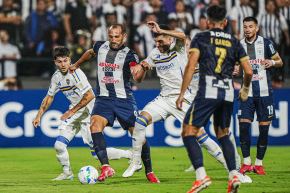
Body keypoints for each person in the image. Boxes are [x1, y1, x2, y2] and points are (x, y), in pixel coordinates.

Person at [123, 21, 230, 183]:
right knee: (140, 120)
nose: (158, 44)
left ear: (169, 40)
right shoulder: (154, 54)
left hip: (183, 99)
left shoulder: (178, 49)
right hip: (164, 99)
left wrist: (161, 29)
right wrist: (141, 68)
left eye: (161, 41)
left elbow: (182, 36)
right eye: (156, 41)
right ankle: (136, 161)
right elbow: (138, 79)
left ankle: (231, 169)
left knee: (200, 136)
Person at [176, 5, 253, 193]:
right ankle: (234, 173)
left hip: (208, 90)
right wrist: (244, 88)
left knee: (188, 131)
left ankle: (201, 177)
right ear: (225, 22)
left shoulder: (201, 38)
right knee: (223, 133)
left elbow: (190, 66)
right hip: (227, 92)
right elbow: (248, 71)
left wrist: (181, 93)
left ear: (208, 22)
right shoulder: (235, 42)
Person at [32, 46, 133, 181]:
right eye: (60, 61)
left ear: (70, 60)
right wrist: (39, 115)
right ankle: (67, 172)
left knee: (97, 155)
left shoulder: (76, 73)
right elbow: (49, 97)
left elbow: (90, 95)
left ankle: (130, 155)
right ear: (55, 62)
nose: (63, 64)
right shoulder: (56, 77)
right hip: (75, 113)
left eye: (65, 61)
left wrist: (71, 111)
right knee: (59, 145)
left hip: (89, 113)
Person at [69, 24, 146, 182]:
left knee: (137, 134)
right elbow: (90, 52)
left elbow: (136, 76)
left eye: (117, 36)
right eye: (111, 36)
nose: (113, 40)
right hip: (103, 98)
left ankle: (146, 168)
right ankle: (106, 167)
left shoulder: (130, 55)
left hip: (123, 99)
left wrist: (141, 71)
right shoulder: (100, 46)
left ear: (123, 36)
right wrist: (76, 64)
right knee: (94, 127)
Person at [238, 16, 283, 175]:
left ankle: (258, 163)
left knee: (264, 129)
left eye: (250, 26)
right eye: (245, 27)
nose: (248, 29)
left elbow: (279, 61)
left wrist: (272, 63)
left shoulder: (266, 43)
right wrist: (235, 70)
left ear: (256, 28)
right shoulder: (239, 45)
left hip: (264, 93)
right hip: (247, 93)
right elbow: (236, 67)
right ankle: (246, 162)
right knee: (243, 126)